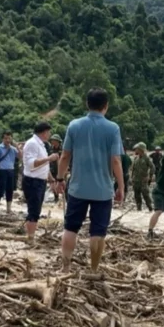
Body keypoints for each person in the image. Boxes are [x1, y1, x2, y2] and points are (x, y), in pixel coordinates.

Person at [57, 89, 124, 272]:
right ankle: (93, 270)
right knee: (98, 232)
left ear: (87, 104)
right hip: (103, 190)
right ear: (106, 106)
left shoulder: (74, 126)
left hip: (77, 188)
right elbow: (116, 160)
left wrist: (60, 178)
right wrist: (121, 186)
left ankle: (65, 268)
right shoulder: (113, 128)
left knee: (70, 228)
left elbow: (64, 156)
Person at [22, 122, 57, 245]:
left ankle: (31, 236)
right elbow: (32, 163)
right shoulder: (32, 144)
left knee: (36, 209)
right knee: (34, 210)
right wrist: (49, 158)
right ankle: (30, 238)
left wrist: (51, 179)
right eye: (48, 132)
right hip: (32, 181)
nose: (49, 135)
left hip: (40, 180)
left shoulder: (41, 144)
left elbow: (44, 166)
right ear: (43, 132)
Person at [0, 131, 19, 212]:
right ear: (2, 139)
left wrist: (17, 147)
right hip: (1, 171)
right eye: (6, 138)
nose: (7, 140)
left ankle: (8, 209)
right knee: (1, 190)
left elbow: (21, 157)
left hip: (11, 171)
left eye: (9, 138)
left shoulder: (13, 149)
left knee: (10, 190)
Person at [130, 142, 154, 211]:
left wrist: (149, 176)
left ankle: (150, 209)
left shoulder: (147, 158)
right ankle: (139, 209)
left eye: (137, 149)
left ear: (141, 149)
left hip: (143, 181)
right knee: (137, 195)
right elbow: (133, 169)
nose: (135, 150)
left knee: (146, 195)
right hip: (136, 180)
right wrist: (132, 178)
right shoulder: (136, 159)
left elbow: (152, 167)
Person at [49, 134, 63, 202]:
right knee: (53, 183)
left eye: (54, 140)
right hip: (53, 168)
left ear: (57, 141)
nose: (52, 142)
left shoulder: (62, 149)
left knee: (62, 183)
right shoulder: (51, 148)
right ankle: (56, 197)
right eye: (52, 140)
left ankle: (65, 198)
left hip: (61, 169)